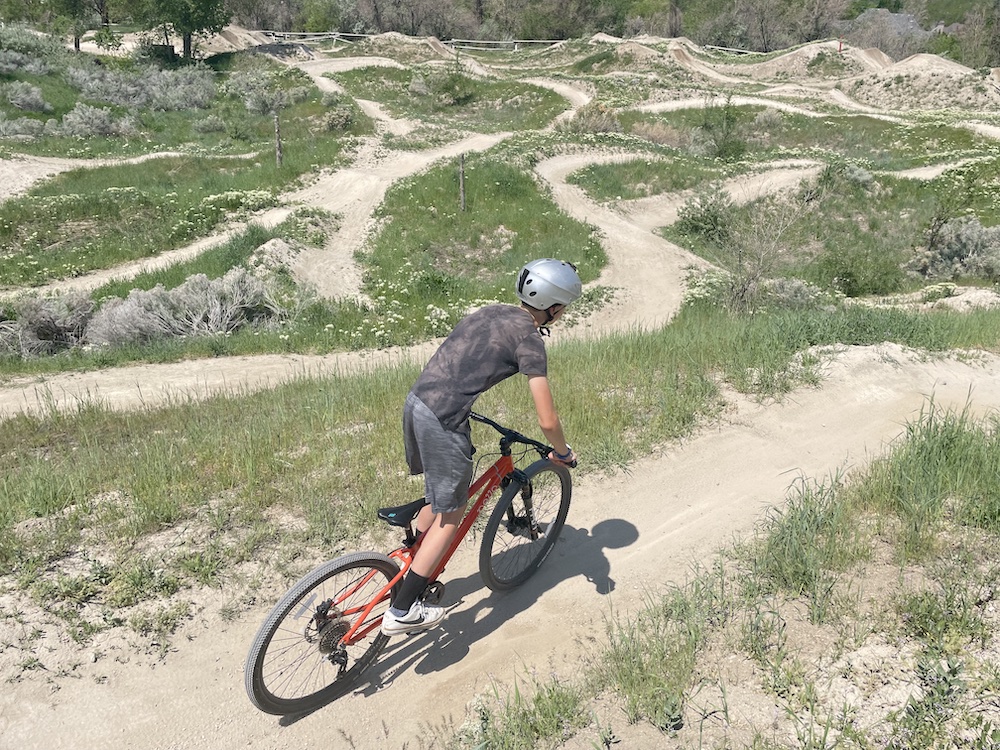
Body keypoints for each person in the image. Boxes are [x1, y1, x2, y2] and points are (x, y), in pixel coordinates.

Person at [380, 258, 582, 636]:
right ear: (554, 307)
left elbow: (460, 364)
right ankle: (403, 610)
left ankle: (412, 560)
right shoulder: (530, 340)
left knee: (439, 497)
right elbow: (548, 420)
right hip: (444, 420)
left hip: (418, 403)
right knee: (451, 517)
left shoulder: (490, 312)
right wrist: (562, 452)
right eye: (564, 308)